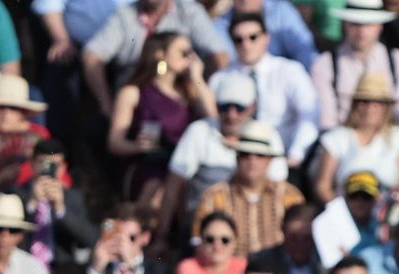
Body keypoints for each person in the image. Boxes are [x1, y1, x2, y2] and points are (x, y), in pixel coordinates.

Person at [163, 74, 290, 240]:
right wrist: (162, 236)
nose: (231, 115)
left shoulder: (267, 134)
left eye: (239, 108)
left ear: (252, 107)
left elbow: (280, 189)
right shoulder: (199, 131)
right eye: (224, 107)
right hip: (205, 230)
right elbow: (174, 185)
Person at [109, 33, 215, 213]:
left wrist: (196, 77)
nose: (190, 58)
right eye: (184, 52)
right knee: (157, 191)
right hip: (149, 164)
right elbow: (114, 142)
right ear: (161, 54)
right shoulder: (133, 92)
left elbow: (213, 117)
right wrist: (137, 146)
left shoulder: (188, 93)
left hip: (182, 165)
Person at [82, 0, 228, 117]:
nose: (187, 58)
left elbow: (220, 56)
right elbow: (92, 56)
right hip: (136, 97)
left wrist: (197, 82)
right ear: (160, 55)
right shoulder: (125, 15)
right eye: (183, 53)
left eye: (186, 53)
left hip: (181, 98)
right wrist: (106, 104)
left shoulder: (189, 11)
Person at [211, 13, 320, 168]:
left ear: (266, 38)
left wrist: (295, 155)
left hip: (283, 159)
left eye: (253, 37)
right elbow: (212, 122)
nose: (246, 44)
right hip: (235, 162)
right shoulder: (220, 79)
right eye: (238, 39)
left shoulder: (290, 71)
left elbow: (310, 114)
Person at [191, 121, 303, 257]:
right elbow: (198, 242)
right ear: (237, 158)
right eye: (245, 155)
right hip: (227, 272)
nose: (252, 161)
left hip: (276, 273)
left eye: (259, 155)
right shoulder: (214, 197)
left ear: (269, 160)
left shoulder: (289, 196)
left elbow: (301, 241)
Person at [310, 0, 399, 128]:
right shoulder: (324, 64)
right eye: (356, 24)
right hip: (341, 141)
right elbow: (327, 122)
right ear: (345, 24)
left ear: (380, 25)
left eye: (368, 24)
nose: (362, 32)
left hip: (390, 139)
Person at [313, 72, 399, 203]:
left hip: (389, 215)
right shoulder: (336, 138)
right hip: (344, 212)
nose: (370, 108)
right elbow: (322, 186)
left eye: (377, 103)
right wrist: (341, 215)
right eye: (364, 101)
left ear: (386, 108)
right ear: (354, 105)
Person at [252, 203, 329, 274]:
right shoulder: (264, 261)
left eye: (307, 238)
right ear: (282, 231)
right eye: (293, 237)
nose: (300, 244)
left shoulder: (327, 263)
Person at [312, 170, 384, 268]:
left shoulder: (383, 225)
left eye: (366, 196)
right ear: (345, 197)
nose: (360, 202)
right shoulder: (329, 223)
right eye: (354, 196)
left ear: (377, 198)